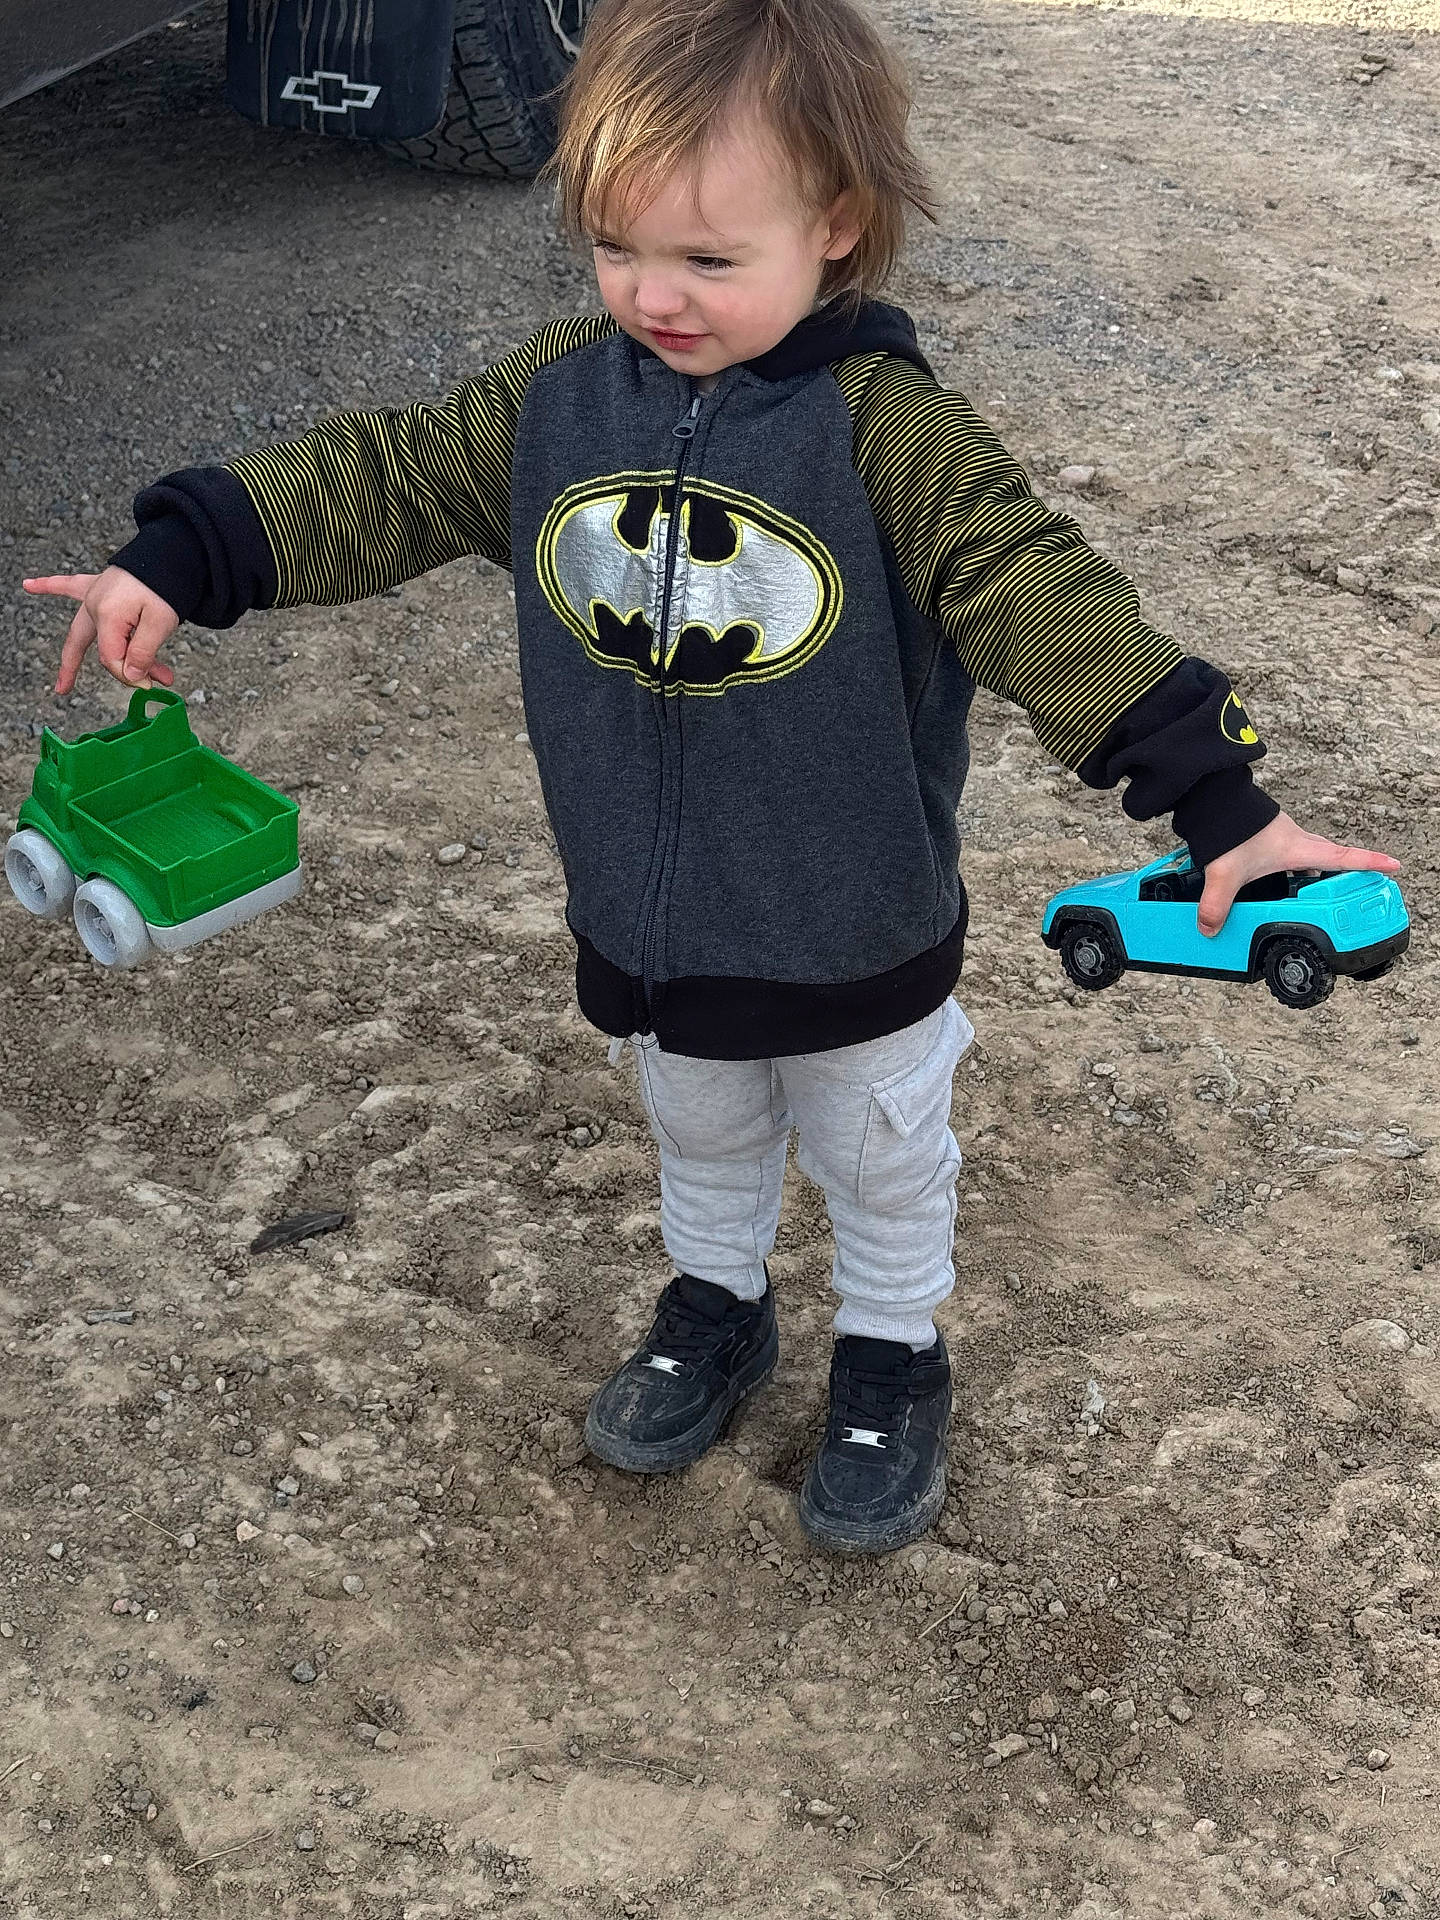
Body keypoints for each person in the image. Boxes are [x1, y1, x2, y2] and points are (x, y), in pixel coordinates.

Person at [23, 0, 1397, 1556]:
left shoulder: (889, 433)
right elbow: (385, 478)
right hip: (645, 904)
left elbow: (1037, 594)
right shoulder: (559, 400)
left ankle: (892, 1356)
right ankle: (716, 1306)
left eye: (708, 261)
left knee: (879, 1144)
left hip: (845, 916)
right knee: (702, 1122)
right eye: (616, 247)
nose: (652, 298)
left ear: (839, 230)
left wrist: (1218, 796)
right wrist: (188, 553)